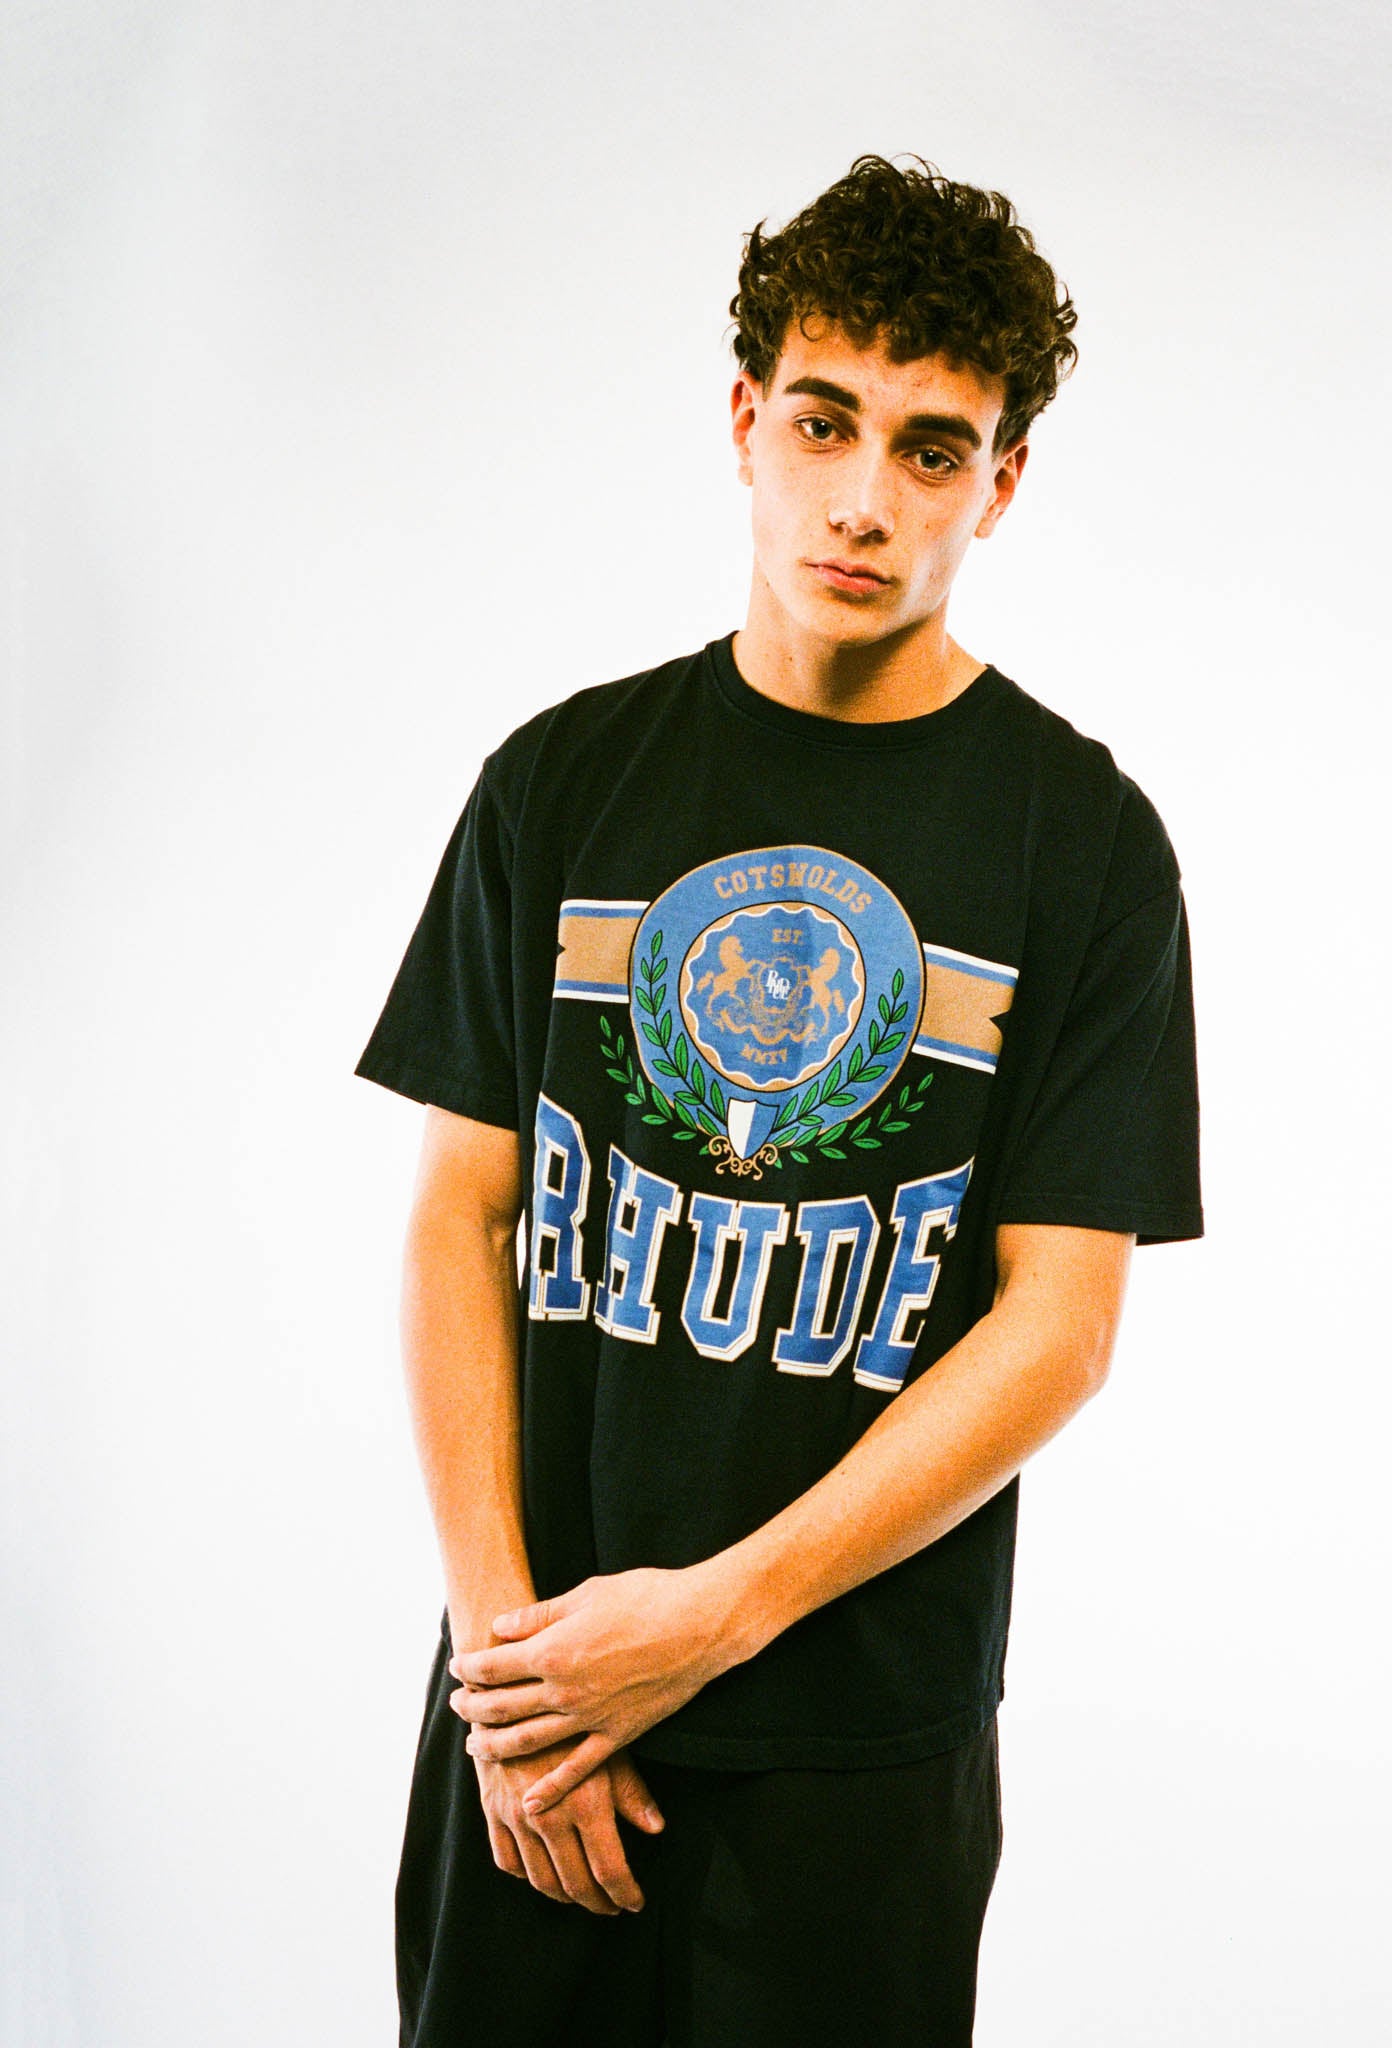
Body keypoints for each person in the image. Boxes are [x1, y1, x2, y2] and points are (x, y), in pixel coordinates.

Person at [355, 151, 1204, 2048]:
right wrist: (514, 1679)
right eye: (825, 422)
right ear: (745, 422)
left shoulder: (1080, 842)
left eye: (930, 447)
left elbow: (1058, 1327)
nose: (864, 498)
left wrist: (716, 1615)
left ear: (999, 482)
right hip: (537, 1714)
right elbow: (458, 1218)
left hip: (854, 1750)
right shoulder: (560, 780)